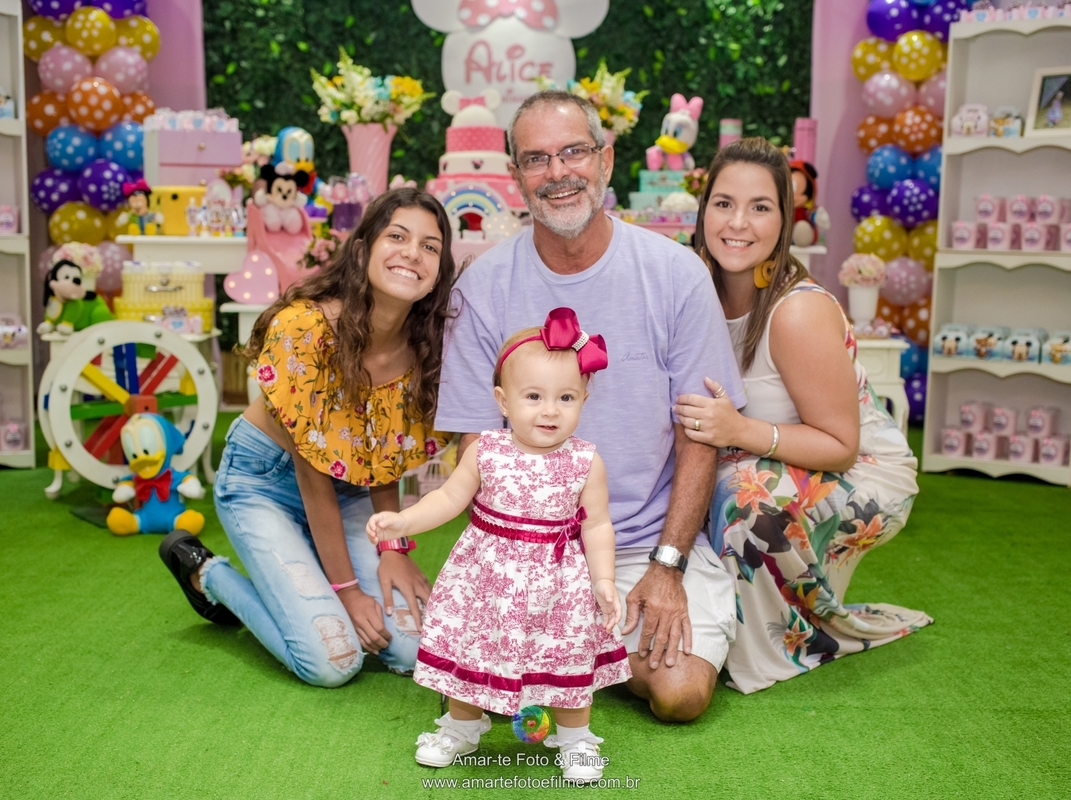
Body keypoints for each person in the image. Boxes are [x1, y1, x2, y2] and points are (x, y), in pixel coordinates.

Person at [436, 91, 745, 722]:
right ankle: (578, 655)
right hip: (525, 544)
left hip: (640, 543)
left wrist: (667, 566)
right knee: (484, 702)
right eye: (537, 158)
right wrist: (510, 573)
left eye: (574, 151)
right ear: (516, 175)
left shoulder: (677, 274)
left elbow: (701, 436)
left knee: (680, 693)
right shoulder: (482, 289)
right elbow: (476, 447)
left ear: (605, 159)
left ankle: (587, 656)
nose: (558, 172)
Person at [157, 188, 457, 687]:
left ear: (438, 271)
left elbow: (384, 458)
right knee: (333, 661)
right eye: (398, 236)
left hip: (350, 495)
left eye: (430, 246)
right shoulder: (304, 330)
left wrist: (393, 551)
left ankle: (304, 575)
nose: (412, 253)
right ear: (362, 252)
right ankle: (206, 573)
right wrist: (346, 590)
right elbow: (313, 471)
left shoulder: (424, 349)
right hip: (263, 484)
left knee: (411, 649)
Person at [675, 138, 932, 694]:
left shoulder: (797, 312)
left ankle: (768, 646)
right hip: (766, 456)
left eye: (760, 207)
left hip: (863, 468)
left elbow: (841, 444)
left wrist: (739, 432)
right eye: (723, 204)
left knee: (740, 492)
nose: (737, 223)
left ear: (785, 219)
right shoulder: (692, 285)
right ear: (703, 211)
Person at [368, 308, 631, 784]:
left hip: (558, 588)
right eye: (533, 396)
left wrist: (604, 579)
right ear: (503, 401)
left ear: (584, 399)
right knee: (472, 654)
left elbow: (597, 526)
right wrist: (401, 521)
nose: (549, 410)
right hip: (486, 583)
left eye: (566, 397)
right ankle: (461, 727)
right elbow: (448, 498)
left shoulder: (586, 461)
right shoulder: (486, 451)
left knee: (567, 658)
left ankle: (575, 739)